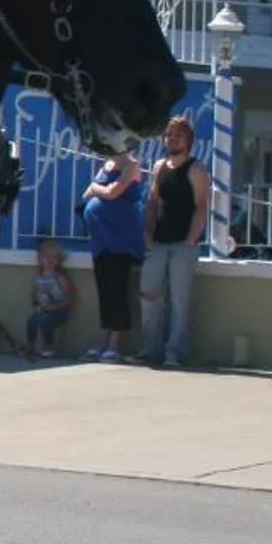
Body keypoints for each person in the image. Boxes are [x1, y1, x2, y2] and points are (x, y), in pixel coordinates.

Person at [135, 116, 210, 368]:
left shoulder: (196, 169)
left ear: (188, 139)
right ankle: (149, 349)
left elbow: (202, 205)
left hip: (183, 244)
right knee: (149, 295)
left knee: (180, 299)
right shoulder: (159, 167)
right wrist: (148, 229)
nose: (172, 139)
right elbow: (153, 201)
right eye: (168, 134)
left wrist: (191, 237)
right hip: (158, 241)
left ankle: (174, 351)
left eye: (178, 134)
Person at [80, 149, 144, 361]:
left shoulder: (131, 165)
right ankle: (102, 340)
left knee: (118, 289)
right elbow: (87, 196)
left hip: (120, 239)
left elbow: (113, 192)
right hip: (101, 240)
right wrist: (95, 191)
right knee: (104, 290)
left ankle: (115, 344)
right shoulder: (105, 165)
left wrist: (94, 187)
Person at [24, 239, 79, 358]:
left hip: (60, 310)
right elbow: (33, 293)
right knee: (32, 320)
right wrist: (36, 304)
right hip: (44, 308)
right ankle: (30, 346)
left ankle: (49, 347)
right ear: (40, 259)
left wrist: (55, 307)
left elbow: (71, 298)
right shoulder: (39, 276)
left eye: (54, 257)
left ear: (59, 260)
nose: (50, 260)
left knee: (45, 321)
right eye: (46, 256)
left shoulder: (60, 277)